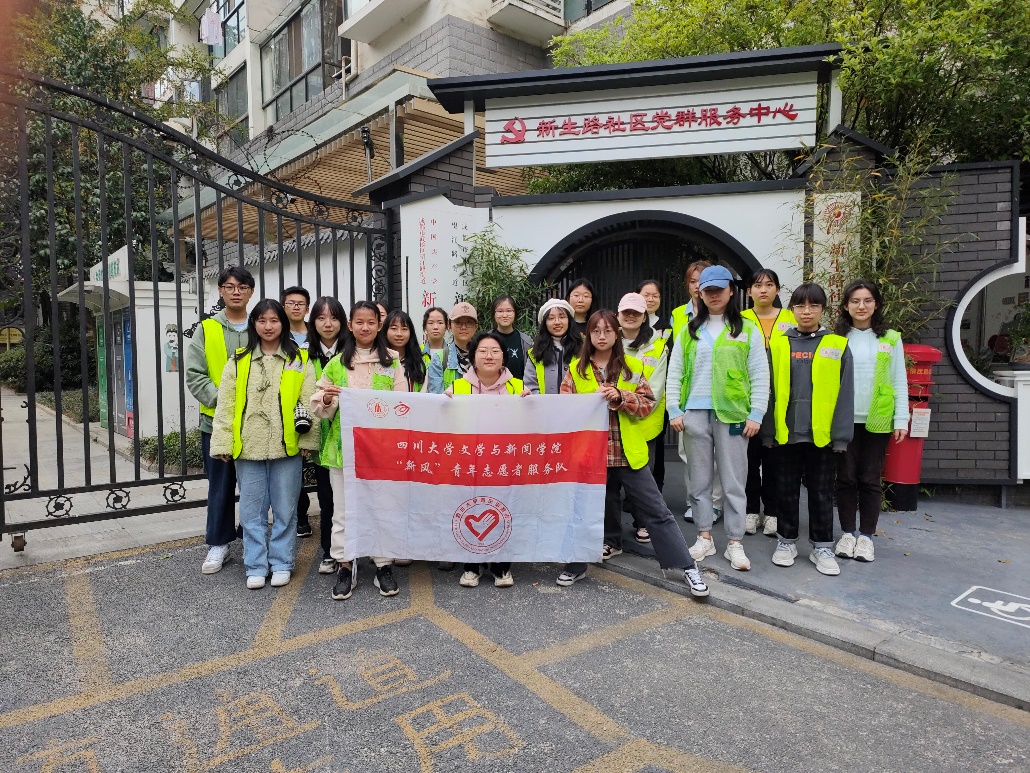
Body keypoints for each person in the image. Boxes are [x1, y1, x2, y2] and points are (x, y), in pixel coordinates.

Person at [556, 310, 709, 598]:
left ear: (616, 335)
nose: (602, 336)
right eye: (596, 331)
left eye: (608, 331)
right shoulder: (576, 370)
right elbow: (564, 411)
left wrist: (621, 396)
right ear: (588, 336)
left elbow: (647, 404)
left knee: (656, 510)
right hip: (592, 456)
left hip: (628, 452)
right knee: (584, 511)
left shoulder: (633, 368)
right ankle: (576, 564)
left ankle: (687, 566)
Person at [209, 299, 319, 589]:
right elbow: (226, 405)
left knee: (286, 510)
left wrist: (308, 439)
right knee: (251, 512)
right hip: (248, 447)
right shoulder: (238, 360)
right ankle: (255, 565)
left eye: (274, 320)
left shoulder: (299, 359)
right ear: (253, 324)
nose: (268, 326)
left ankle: (282, 562)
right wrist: (222, 442)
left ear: (283, 323)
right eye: (262, 320)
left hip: (287, 447)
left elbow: (309, 401)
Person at [668, 266, 769, 572]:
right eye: (708, 290)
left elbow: (760, 373)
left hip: (733, 414)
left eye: (719, 290)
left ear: (730, 291)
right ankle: (704, 537)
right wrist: (674, 409)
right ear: (700, 293)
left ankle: (735, 542)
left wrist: (756, 413)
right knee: (698, 480)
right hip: (695, 413)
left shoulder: (747, 329)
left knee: (734, 481)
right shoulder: (689, 330)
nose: (713, 295)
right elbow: (675, 371)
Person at [311, 301, 408, 600]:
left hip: (381, 451)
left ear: (378, 326)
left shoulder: (392, 362)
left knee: (381, 508)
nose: (365, 327)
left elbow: (403, 404)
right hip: (343, 450)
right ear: (350, 326)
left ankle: (383, 565)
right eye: (359, 322)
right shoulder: (336, 364)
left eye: (371, 322)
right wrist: (328, 400)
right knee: (343, 511)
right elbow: (319, 406)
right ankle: (345, 564)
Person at [762, 283, 854, 576]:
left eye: (813, 305)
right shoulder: (778, 345)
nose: (806, 311)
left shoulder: (837, 345)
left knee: (821, 492)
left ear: (822, 309)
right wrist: (768, 431)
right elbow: (768, 391)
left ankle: (822, 546)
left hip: (822, 436)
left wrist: (841, 436)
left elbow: (845, 393)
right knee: (786, 490)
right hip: (786, 433)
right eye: (800, 305)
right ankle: (786, 541)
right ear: (792, 309)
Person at [832, 280, 908, 563]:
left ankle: (866, 537)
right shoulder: (836, 339)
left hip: (878, 418)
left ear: (876, 304)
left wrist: (901, 418)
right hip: (844, 419)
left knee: (869, 478)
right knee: (845, 477)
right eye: (855, 301)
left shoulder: (890, 338)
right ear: (845, 306)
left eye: (867, 300)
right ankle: (847, 533)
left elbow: (899, 379)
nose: (861, 306)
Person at [185, 266, 254, 575]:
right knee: (220, 486)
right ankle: (219, 543)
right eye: (230, 286)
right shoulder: (207, 329)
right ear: (221, 291)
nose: (236, 292)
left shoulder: (262, 325)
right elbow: (195, 374)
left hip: (256, 423)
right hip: (216, 423)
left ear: (251, 292)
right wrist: (224, 402)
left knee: (254, 486)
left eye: (242, 287)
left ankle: (253, 538)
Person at [445, 332, 526, 588]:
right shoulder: (457, 387)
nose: (489, 356)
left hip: (504, 464)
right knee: (469, 509)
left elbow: (531, 424)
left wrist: (531, 405)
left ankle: (502, 566)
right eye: (482, 351)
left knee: (503, 510)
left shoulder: (518, 388)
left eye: (495, 351)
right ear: (473, 356)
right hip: (469, 463)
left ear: (504, 356)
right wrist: (443, 405)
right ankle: (471, 565)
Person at [740, 269, 797, 537]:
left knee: (776, 459)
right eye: (757, 285)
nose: (763, 290)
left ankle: (772, 511)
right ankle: (751, 510)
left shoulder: (791, 319)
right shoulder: (739, 320)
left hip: (781, 399)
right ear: (748, 291)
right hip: (746, 398)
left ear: (777, 289)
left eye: (769, 284)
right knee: (749, 458)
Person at [668, 260, 723, 524]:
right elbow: (677, 358)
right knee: (688, 454)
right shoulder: (678, 314)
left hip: (721, 395)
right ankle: (695, 501)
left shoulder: (727, 317)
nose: (698, 286)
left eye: (702, 280)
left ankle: (715, 503)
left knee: (718, 456)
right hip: (689, 393)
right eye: (693, 281)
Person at [617, 292, 669, 545]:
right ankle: (611, 532)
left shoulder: (657, 346)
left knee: (643, 478)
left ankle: (643, 523)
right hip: (612, 423)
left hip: (644, 422)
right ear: (618, 315)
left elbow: (655, 389)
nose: (630, 316)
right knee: (611, 481)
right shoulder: (608, 341)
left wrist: (622, 401)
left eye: (635, 313)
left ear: (644, 316)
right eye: (625, 312)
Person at [301, 296, 348, 575]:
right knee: (328, 498)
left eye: (333, 317)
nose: (327, 324)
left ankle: (354, 549)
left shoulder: (351, 354)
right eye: (321, 318)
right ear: (313, 322)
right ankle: (330, 551)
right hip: (320, 439)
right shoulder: (303, 355)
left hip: (348, 438)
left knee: (351, 498)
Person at [282, 286, 313, 538]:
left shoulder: (316, 334)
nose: (295, 307)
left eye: (300, 303)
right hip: (288, 407)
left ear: (307, 308)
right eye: (290, 303)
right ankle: (300, 516)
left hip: (316, 401)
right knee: (292, 467)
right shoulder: (278, 335)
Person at [637, 280, 673, 493]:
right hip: (630, 396)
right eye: (646, 295)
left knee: (656, 445)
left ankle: (655, 489)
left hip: (659, 394)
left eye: (655, 296)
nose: (650, 299)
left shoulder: (666, 327)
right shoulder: (626, 323)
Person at [523, 298, 579, 395]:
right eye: (551, 318)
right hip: (543, 404)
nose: (557, 322)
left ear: (569, 321)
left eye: (562, 317)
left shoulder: (582, 350)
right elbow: (530, 387)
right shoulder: (535, 353)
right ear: (544, 323)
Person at [426, 302, 478, 394]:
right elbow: (436, 397)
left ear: (476, 327)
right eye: (458, 322)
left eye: (469, 323)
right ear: (449, 326)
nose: (463, 327)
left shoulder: (485, 356)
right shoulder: (439, 359)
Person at [489, 295, 532, 380]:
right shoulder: (485, 340)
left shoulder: (527, 342)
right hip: (491, 388)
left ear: (515, 313)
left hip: (519, 388)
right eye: (500, 311)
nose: (505, 315)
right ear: (494, 314)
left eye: (509, 311)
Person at [385, 309, 428, 392]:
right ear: (385, 331)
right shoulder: (378, 360)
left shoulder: (419, 363)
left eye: (404, 329)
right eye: (394, 328)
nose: (399, 334)